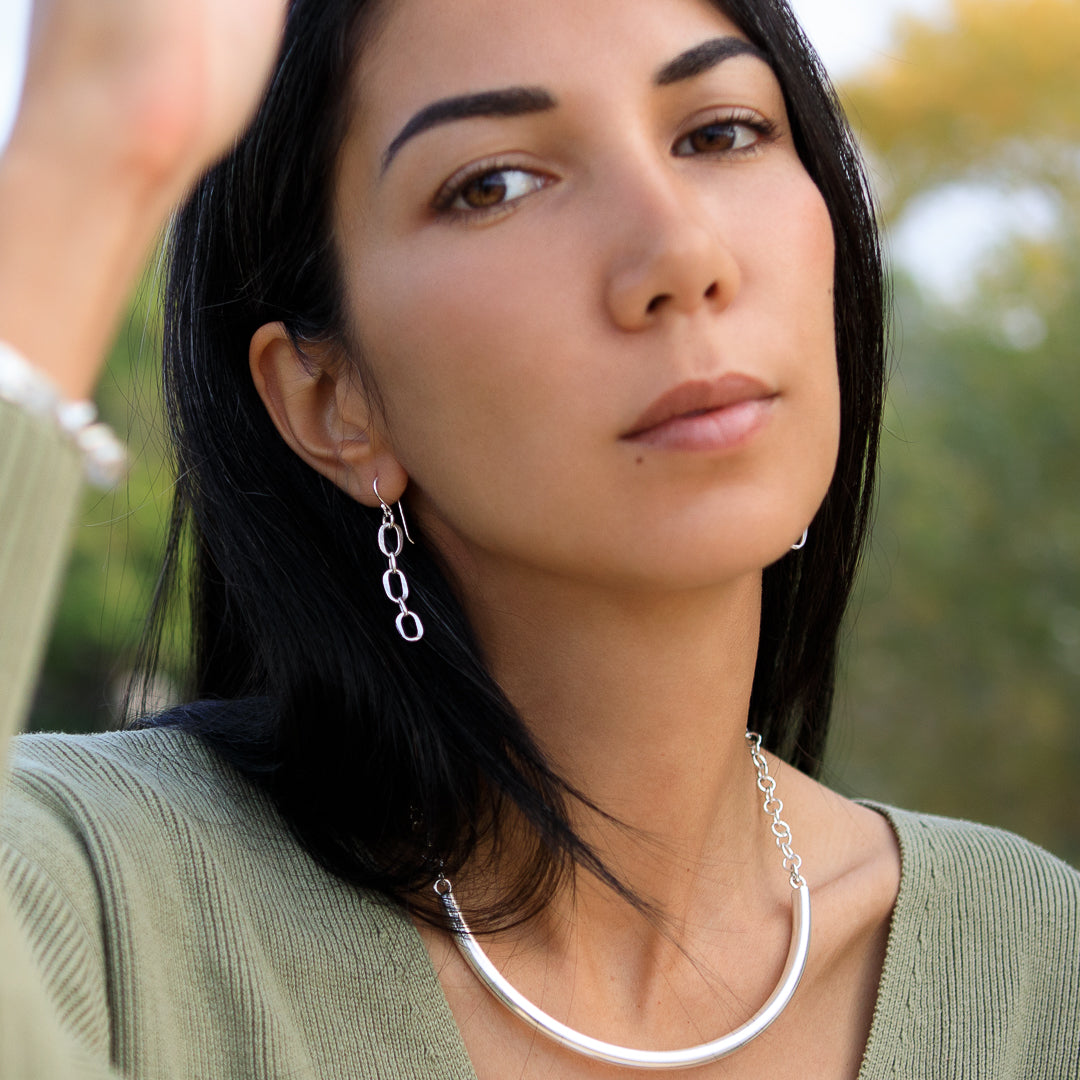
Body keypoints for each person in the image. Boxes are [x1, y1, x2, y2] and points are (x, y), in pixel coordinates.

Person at [0, 0, 1077, 1077]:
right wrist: (89, 151)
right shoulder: (91, 904)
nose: (682, 253)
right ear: (332, 402)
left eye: (720, 132)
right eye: (496, 184)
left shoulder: (1037, 975)